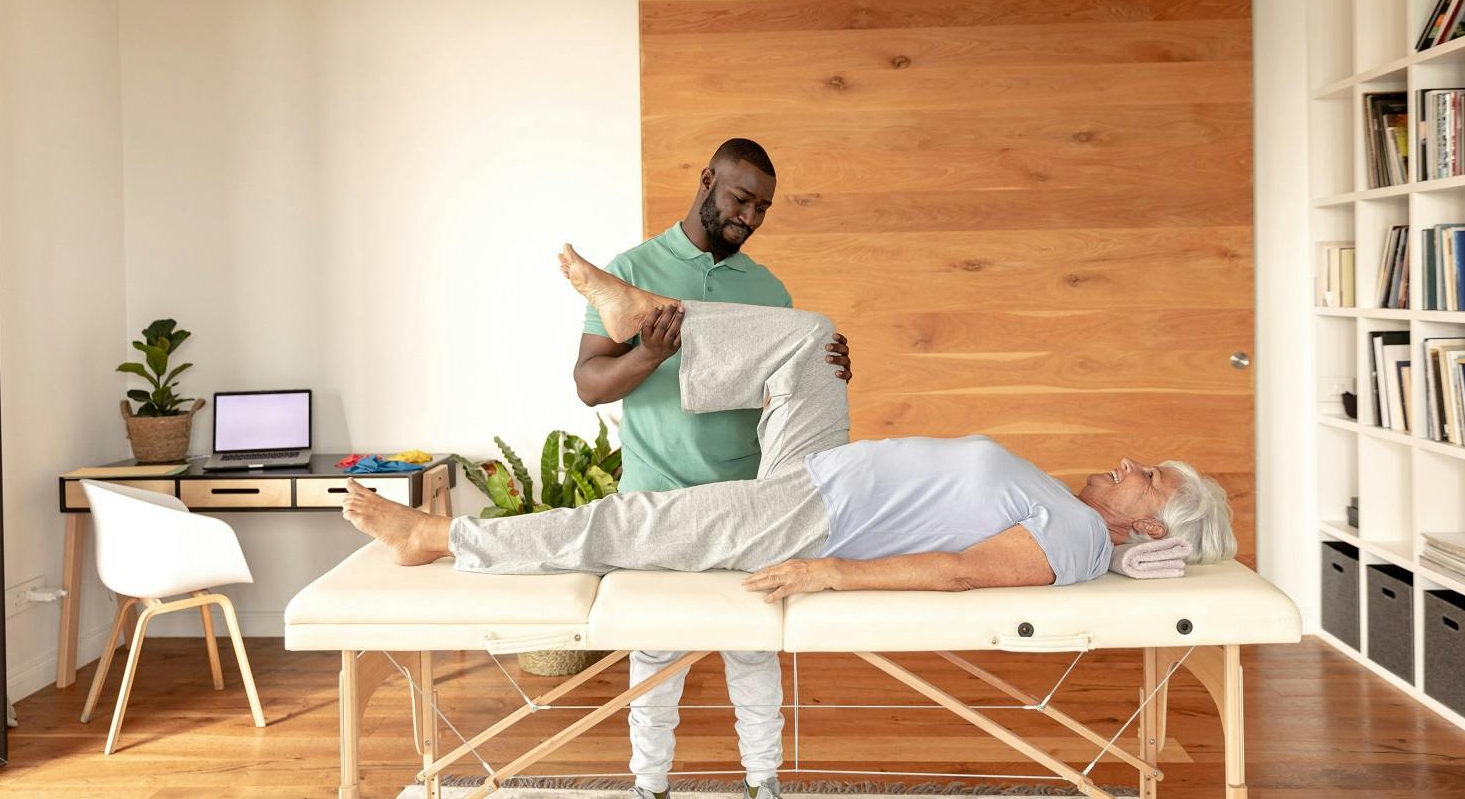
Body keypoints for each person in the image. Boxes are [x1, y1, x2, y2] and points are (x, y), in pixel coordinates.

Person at [343, 246, 1239, 596]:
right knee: (813, 338)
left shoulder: (1080, 542)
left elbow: (962, 572)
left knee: (634, 522)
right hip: (824, 470)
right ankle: (638, 311)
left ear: (1148, 524)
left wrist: (829, 573)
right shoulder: (1080, 516)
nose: (1126, 462)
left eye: (1145, 475)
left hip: (817, 517)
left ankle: (444, 539)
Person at [572, 138, 849, 799]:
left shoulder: (766, 287)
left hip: (745, 499)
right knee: (656, 655)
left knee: (751, 649)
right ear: (706, 180)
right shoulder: (632, 267)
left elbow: (782, 386)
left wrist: (824, 366)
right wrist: (648, 355)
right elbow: (589, 384)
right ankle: (649, 787)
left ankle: (764, 784)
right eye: (739, 198)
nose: (749, 216)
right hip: (657, 491)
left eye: (761, 208)